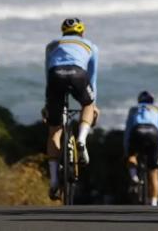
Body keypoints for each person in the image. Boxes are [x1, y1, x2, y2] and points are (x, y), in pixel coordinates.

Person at [43, 17, 99, 201]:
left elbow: (47, 74)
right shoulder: (90, 45)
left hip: (56, 76)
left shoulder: (52, 45)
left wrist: (47, 104)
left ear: (63, 33)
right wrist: (93, 104)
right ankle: (81, 140)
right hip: (78, 74)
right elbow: (92, 78)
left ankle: (53, 180)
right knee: (87, 104)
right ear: (81, 33)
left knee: (54, 129)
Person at [123, 91, 158, 206]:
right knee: (154, 172)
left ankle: (134, 176)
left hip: (137, 130)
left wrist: (127, 152)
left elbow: (127, 131)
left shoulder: (133, 109)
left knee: (131, 156)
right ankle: (154, 202)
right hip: (153, 133)